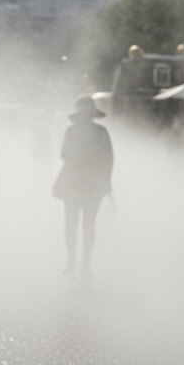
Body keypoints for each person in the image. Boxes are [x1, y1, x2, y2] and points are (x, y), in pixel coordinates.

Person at [51, 95, 113, 275]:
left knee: (77, 225)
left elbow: (64, 155)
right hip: (86, 184)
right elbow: (108, 159)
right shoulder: (100, 132)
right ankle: (79, 263)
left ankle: (78, 262)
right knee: (85, 226)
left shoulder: (73, 131)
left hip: (78, 183)